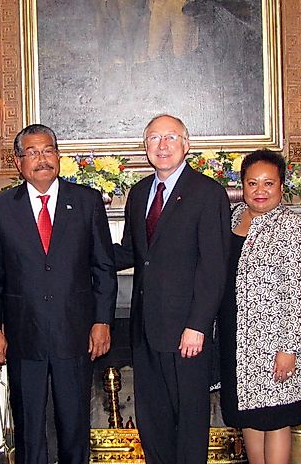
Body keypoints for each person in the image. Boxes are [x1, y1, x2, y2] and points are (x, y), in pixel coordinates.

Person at [0, 124, 117, 464]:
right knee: (28, 429)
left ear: (58, 156)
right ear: (19, 162)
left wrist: (102, 321)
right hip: (24, 337)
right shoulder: (1, 207)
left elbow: (103, 267)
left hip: (76, 334)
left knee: (74, 427)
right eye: (33, 153)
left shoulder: (86, 201)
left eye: (48, 151)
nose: (42, 159)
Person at [114, 114, 230, 464]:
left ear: (186, 144)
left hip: (186, 333)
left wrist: (197, 325)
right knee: (153, 421)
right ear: (145, 147)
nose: (162, 146)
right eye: (154, 138)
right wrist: (77, 250)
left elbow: (214, 267)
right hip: (145, 331)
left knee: (190, 420)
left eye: (170, 138)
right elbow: (132, 252)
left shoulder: (207, 193)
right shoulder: (138, 194)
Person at [218, 149, 301, 464]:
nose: (260, 191)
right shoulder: (232, 219)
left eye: (268, 184)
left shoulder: (292, 227)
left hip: (275, 345)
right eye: (252, 183)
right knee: (248, 418)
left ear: (281, 187)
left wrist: (290, 348)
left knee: (275, 420)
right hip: (237, 341)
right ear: (242, 186)